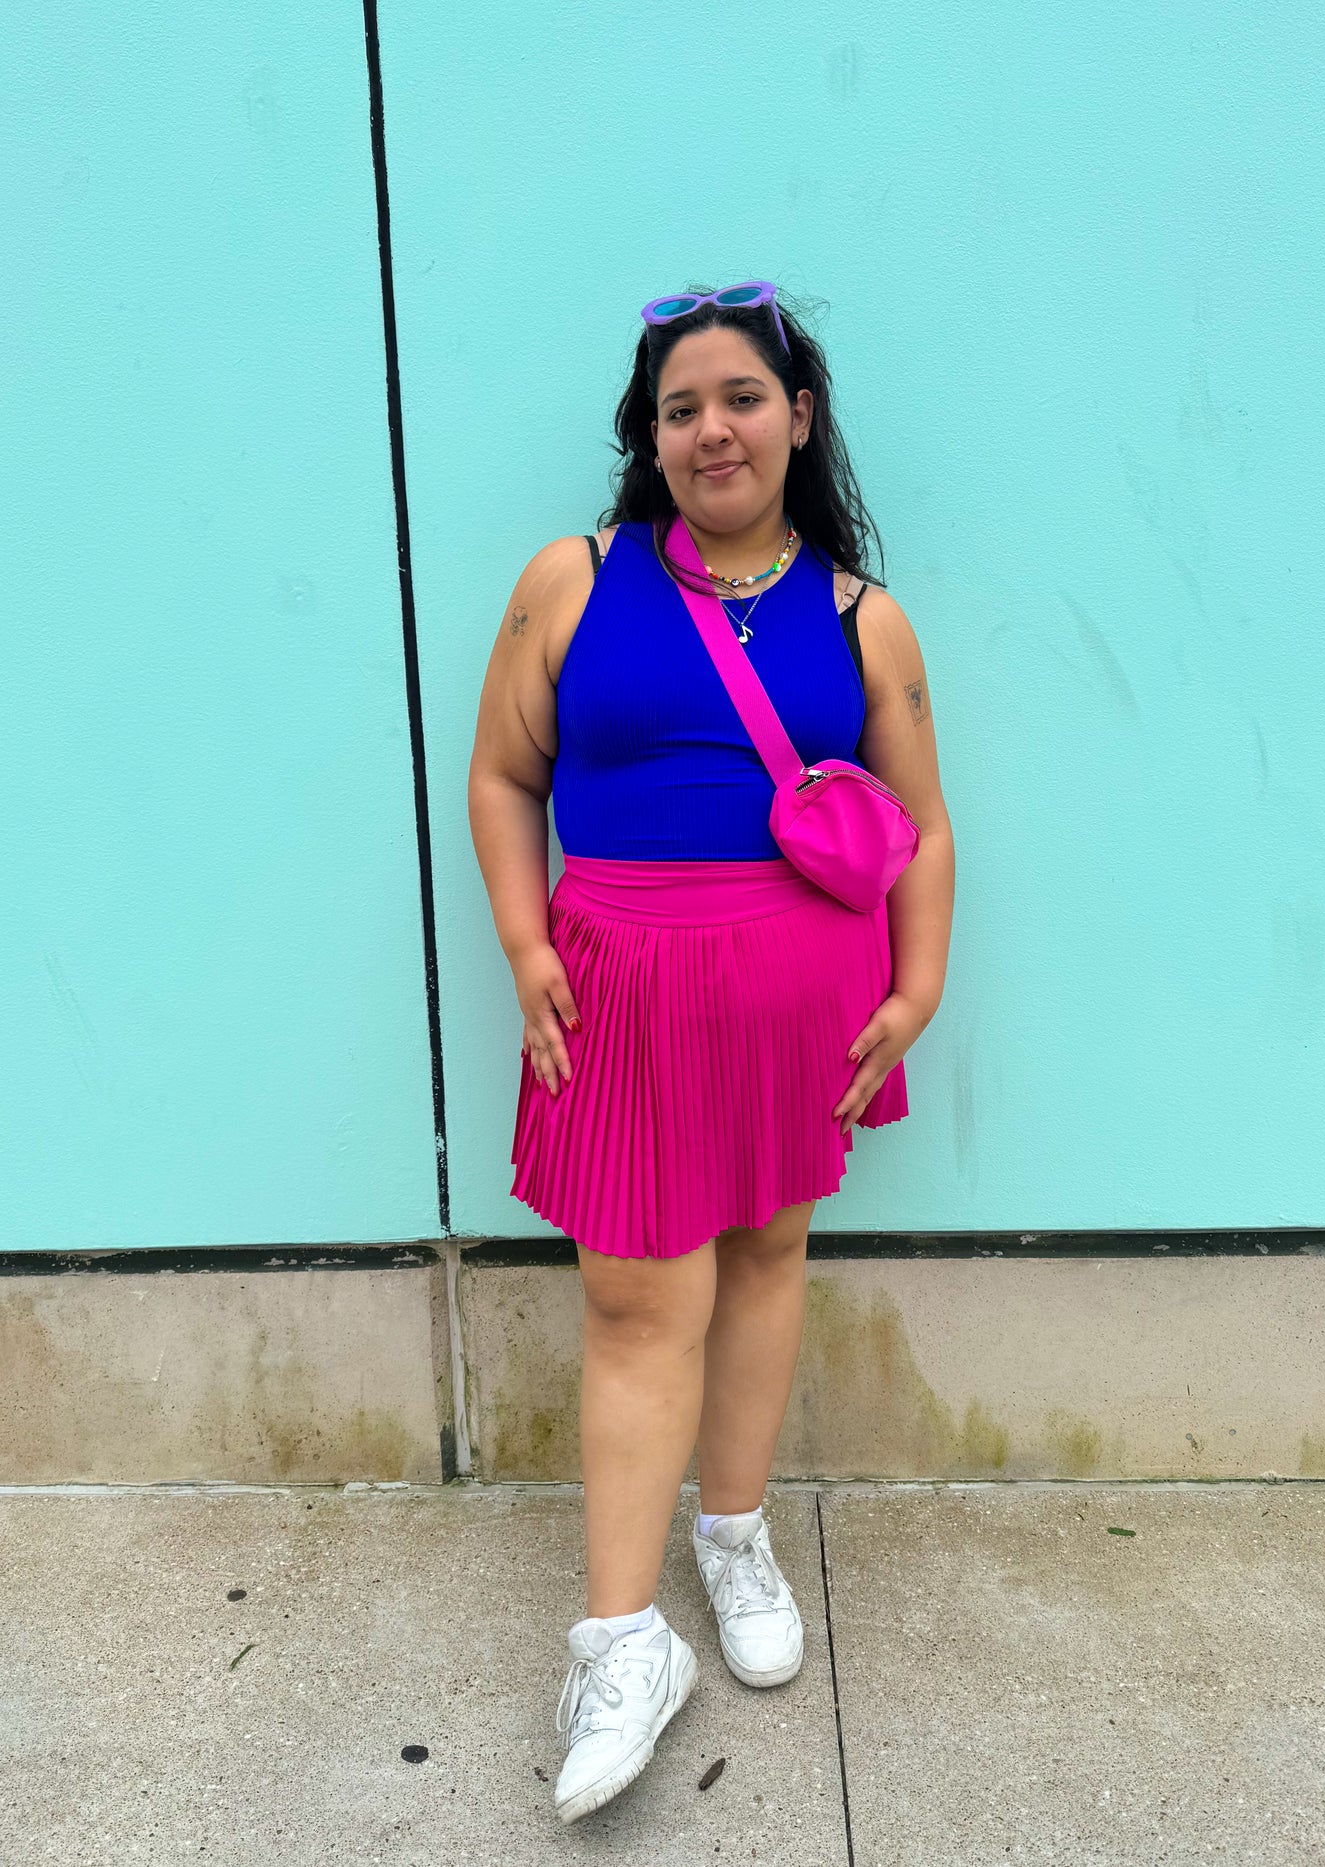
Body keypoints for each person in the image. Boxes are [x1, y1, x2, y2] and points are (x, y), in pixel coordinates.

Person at [467, 280, 954, 1824]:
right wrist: (528, 946)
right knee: (636, 1300)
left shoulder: (863, 617)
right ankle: (624, 1643)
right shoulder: (573, 579)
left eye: (741, 397)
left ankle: (732, 1534)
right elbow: (501, 776)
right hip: (616, 989)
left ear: (798, 417)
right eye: (681, 409)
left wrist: (920, 986)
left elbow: (923, 823)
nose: (712, 429)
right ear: (652, 438)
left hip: (801, 998)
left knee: (764, 1259)